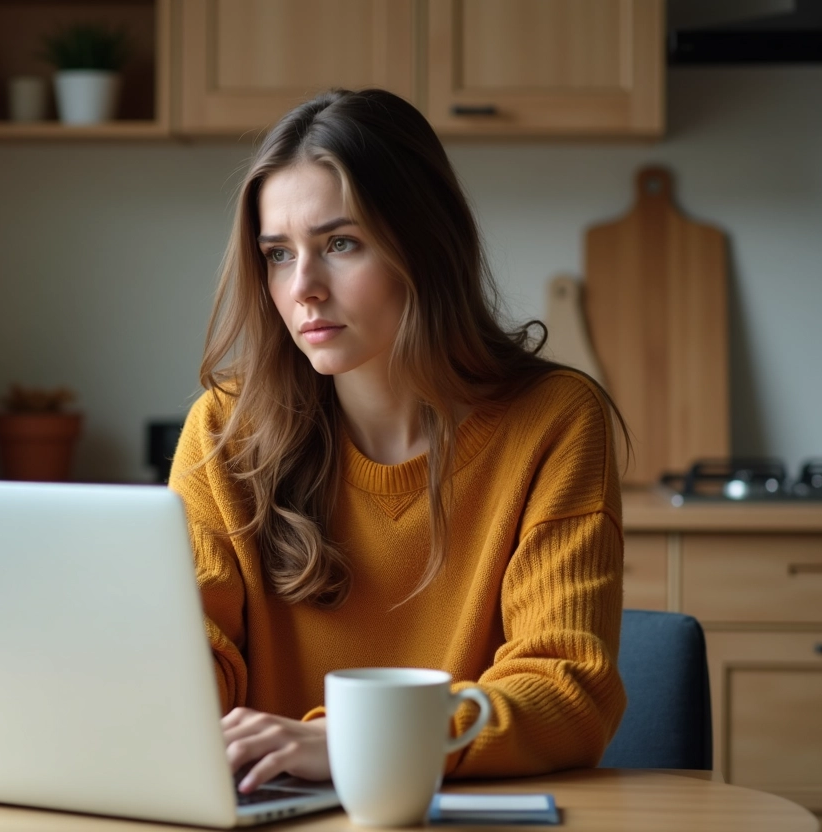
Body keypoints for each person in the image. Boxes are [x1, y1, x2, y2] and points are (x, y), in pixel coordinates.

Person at [168, 88, 627, 795]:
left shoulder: (554, 421)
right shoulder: (225, 431)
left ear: (426, 243)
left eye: (340, 244)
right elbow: (190, 654)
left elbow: (568, 688)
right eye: (279, 254)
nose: (303, 288)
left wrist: (351, 743)